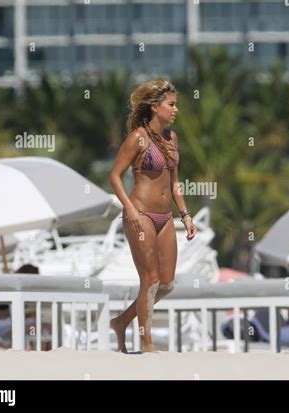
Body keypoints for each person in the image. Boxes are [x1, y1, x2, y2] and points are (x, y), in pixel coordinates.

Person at [109, 78, 197, 353]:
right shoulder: (138, 138)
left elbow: (174, 184)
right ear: (155, 107)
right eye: (171, 105)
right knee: (150, 280)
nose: (175, 110)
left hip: (165, 217)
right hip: (141, 214)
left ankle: (122, 321)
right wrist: (130, 208)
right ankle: (146, 345)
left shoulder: (172, 139)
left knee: (167, 283)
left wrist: (185, 215)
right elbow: (114, 176)